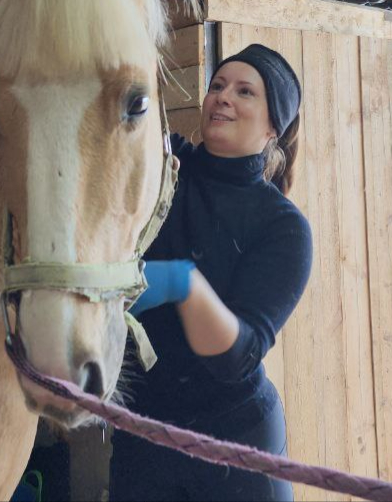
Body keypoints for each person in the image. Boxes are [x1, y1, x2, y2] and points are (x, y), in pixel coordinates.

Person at [109, 43, 312, 502]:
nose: (223, 96)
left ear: (273, 126)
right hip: (143, 432)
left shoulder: (283, 228)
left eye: (245, 91)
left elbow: (235, 359)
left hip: (236, 442)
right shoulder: (166, 169)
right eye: (217, 85)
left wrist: (182, 284)